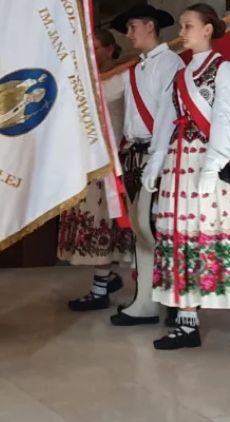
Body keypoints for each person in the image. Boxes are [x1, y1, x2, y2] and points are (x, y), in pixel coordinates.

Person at [142, 4, 230, 352]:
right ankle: (187, 323)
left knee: (220, 239)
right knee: (180, 242)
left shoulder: (223, 70)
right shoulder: (180, 75)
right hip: (177, 167)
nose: (181, 33)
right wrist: (155, 163)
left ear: (207, 29)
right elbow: (165, 122)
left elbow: (225, 120)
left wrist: (212, 166)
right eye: (182, 26)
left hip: (206, 167)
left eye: (187, 26)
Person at [107, 3, 184, 328]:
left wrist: (158, 158)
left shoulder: (171, 63)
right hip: (135, 156)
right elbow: (103, 92)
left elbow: (169, 117)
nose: (128, 34)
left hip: (162, 157)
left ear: (150, 26)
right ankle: (146, 300)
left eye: (132, 27)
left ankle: (179, 300)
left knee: (160, 230)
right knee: (142, 231)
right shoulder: (134, 69)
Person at [58, 29, 135, 311]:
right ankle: (105, 278)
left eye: (97, 47)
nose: (91, 52)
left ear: (111, 50)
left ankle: (101, 288)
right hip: (86, 163)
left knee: (103, 225)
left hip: (109, 162)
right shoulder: (86, 82)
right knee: (95, 225)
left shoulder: (120, 78)